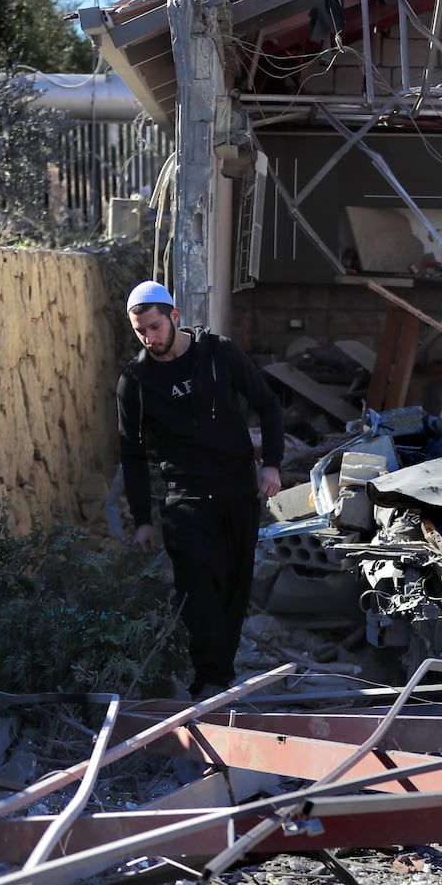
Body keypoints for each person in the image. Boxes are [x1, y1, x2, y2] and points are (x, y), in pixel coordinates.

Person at [116, 280, 284, 700]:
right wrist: (141, 519)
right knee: (197, 592)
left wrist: (272, 466)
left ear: (175, 316)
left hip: (235, 492)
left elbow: (268, 404)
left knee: (232, 590)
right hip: (184, 499)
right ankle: (207, 680)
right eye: (141, 332)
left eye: (154, 327)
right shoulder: (135, 380)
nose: (149, 338)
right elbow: (132, 453)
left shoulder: (219, 353)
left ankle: (219, 678)